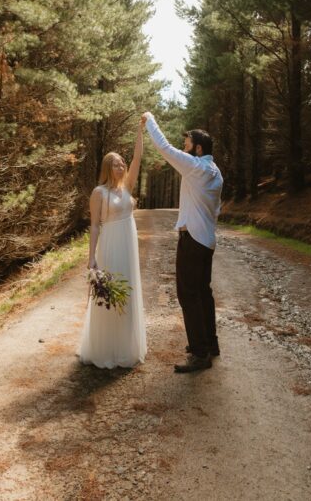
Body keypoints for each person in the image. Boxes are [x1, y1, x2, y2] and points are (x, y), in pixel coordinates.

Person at [141, 111, 223, 373]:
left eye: (187, 145)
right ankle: (210, 344)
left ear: (198, 149)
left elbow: (164, 148)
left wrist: (150, 119)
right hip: (207, 240)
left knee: (187, 294)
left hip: (192, 240)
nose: (184, 149)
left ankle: (200, 354)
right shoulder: (215, 172)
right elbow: (217, 209)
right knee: (203, 293)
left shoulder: (195, 166)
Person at [77, 118, 148, 369]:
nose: (121, 166)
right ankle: (105, 349)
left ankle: (126, 347)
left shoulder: (128, 186)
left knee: (127, 291)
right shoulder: (99, 193)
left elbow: (138, 158)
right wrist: (91, 258)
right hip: (110, 244)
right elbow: (95, 225)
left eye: (122, 163)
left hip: (128, 245)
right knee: (109, 294)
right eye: (116, 164)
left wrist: (141, 131)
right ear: (108, 168)